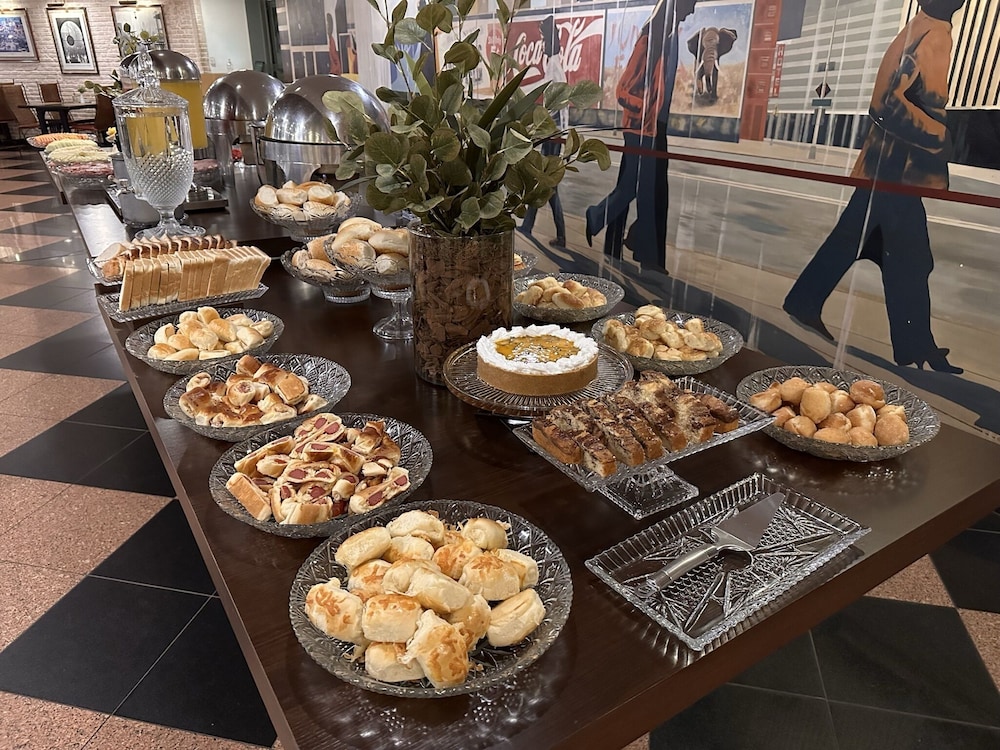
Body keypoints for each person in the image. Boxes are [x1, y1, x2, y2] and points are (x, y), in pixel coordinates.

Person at [783, 0, 965, 374]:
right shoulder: (931, 33)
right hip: (896, 170)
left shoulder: (926, 29)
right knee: (910, 258)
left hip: (892, 169)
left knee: (866, 246)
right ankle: (915, 346)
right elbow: (885, 102)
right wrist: (939, 136)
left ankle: (808, 302)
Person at [585, 0, 697, 268]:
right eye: (689, 4)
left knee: (642, 190)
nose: (691, 11)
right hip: (639, 130)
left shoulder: (668, 39)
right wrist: (646, 110)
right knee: (636, 189)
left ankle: (640, 249)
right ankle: (598, 217)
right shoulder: (648, 42)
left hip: (652, 129)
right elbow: (622, 90)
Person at [520, 15, 567, 247]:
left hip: (552, 134)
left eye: (542, 35)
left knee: (548, 184)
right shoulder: (553, 62)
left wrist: (554, 131)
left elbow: (558, 103)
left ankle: (560, 234)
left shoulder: (554, 65)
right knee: (544, 182)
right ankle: (529, 225)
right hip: (552, 133)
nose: (541, 40)